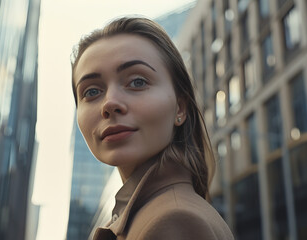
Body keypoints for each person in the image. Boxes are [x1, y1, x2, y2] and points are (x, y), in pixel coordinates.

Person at [71, 16, 234, 240]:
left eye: (137, 81)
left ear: (180, 108)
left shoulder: (174, 221)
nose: (109, 103)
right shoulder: (151, 214)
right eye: (91, 92)